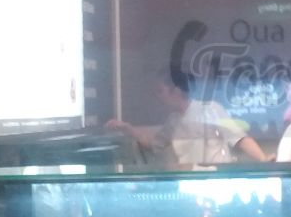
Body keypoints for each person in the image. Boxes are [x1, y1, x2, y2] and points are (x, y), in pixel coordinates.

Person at [107, 70, 270, 167]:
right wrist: (127, 129)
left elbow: (240, 139)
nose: (158, 97)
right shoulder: (173, 121)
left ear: (176, 90)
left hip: (216, 180)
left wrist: (263, 160)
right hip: (189, 181)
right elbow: (153, 144)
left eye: (160, 91)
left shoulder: (211, 108)